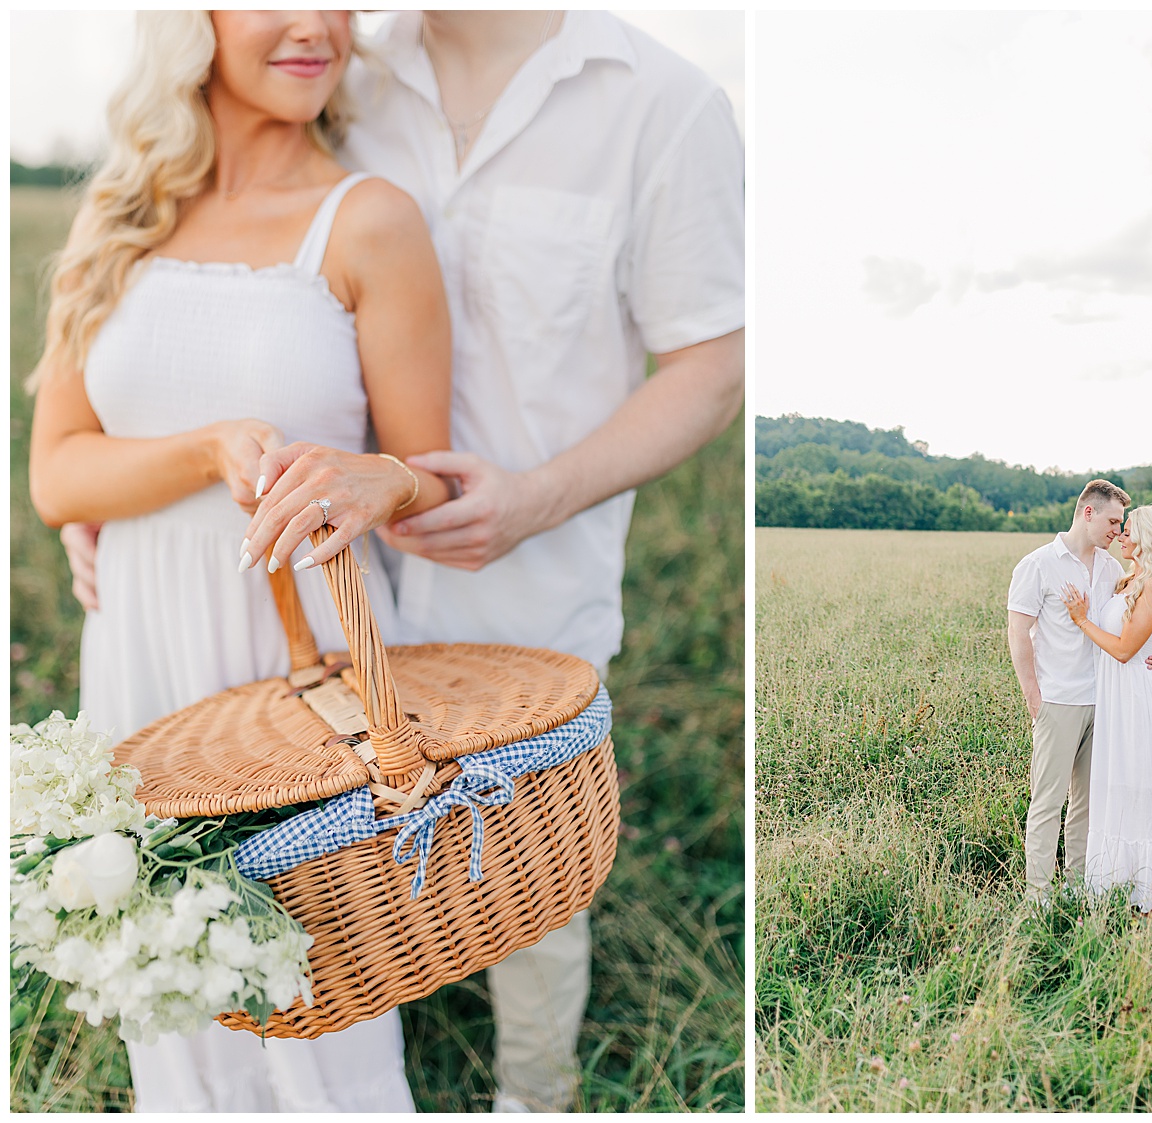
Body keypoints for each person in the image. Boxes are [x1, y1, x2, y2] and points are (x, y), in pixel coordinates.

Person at [62, 9, 746, 1113]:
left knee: (523, 879)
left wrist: (533, 499)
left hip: (519, 580)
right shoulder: (350, 71)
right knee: (317, 883)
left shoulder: (660, 103)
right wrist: (126, 497)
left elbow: (712, 366)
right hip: (330, 589)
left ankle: (535, 1090)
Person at [31, 10, 453, 1111]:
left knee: (320, 985)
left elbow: (427, 475)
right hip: (140, 650)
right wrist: (208, 446)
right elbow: (58, 475)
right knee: (167, 970)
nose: (317, 23)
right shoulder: (120, 216)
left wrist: (386, 479)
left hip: (306, 663)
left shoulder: (368, 222)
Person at [1006, 480, 1152, 902]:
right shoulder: (1038, 565)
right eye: (1113, 521)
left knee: (1088, 805)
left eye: (1122, 523)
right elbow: (1018, 634)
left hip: (1106, 702)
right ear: (1088, 513)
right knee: (1047, 803)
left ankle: (1078, 888)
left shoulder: (1113, 570)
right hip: (1058, 701)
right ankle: (1038, 897)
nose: (1118, 530)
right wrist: (1033, 698)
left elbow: (1134, 623)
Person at [1061, 505, 1152, 917]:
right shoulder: (1127, 579)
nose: (1120, 535)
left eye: (1128, 530)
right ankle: (1116, 890)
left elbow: (1122, 650)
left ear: (1148, 538)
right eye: (1120, 527)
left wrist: (1081, 620)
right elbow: (1148, 640)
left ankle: (1149, 904)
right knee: (1118, 791)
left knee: (1141, 796)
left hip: (1139, 705)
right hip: (1118, 702)